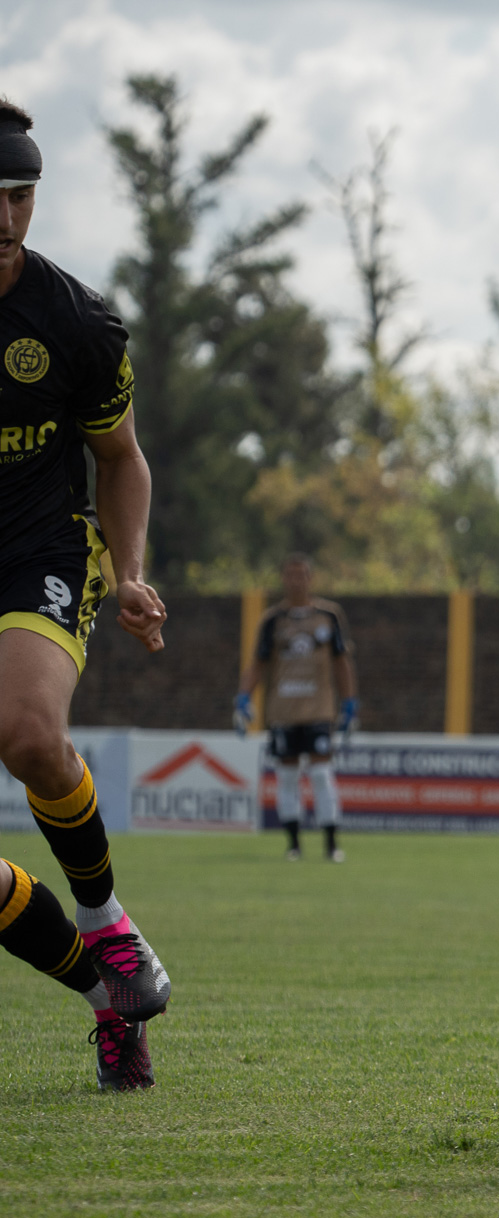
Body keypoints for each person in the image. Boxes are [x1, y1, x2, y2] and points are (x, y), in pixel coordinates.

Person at [0, 97, 169, 1089]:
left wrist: (130, 567)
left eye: (18, 196)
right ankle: (112, 995)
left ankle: (109, 922)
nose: (6, 219)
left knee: (26, 731)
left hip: (41, 555)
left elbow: (122, 456)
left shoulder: (76, 322)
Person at [235, 554, 358, 861]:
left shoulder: (328, 616)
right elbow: (258, 663)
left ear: (310, 578)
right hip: (283, 712)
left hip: (319, 710)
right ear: (283, 579)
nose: (296, 580)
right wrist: (243, 698)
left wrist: (350, 702)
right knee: (287, 778)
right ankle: (294, 845)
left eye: (302, 574)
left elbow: (341, 661)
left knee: (320, 774)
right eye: (290, 575)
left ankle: (331, 845)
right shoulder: (273, 620)